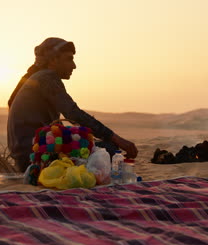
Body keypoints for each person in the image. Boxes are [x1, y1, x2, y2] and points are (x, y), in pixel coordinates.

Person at [7, 37, 138, 172]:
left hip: (26, 156)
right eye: (69, 59)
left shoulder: (36, 77)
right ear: (53, 60)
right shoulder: (47, 77)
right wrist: (117, 138)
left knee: (92, 146)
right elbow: (73, 113)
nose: (74, 65)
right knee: (109, 149)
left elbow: (11, 102)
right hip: (35, 158)